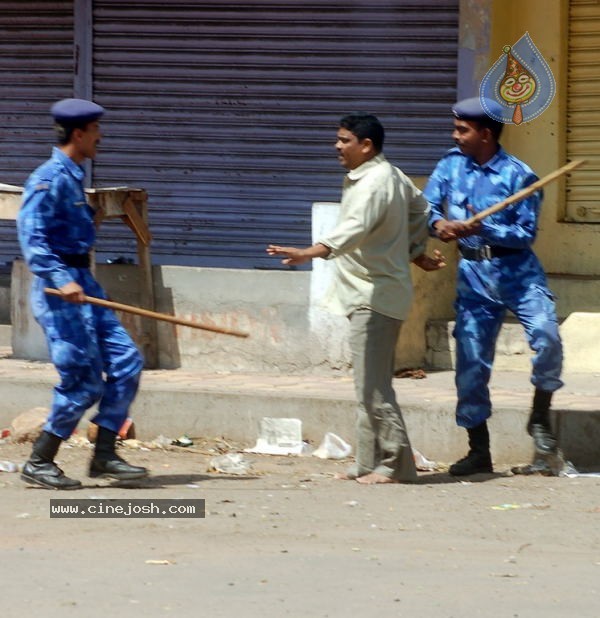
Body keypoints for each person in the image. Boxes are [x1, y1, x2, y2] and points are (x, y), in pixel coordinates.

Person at [267, 112, 445, 484]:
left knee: (373, 387)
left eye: (345, 140)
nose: (337, 146)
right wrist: (414, 251)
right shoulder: (390, 175)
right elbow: (422, 208)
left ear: (366, 145)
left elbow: (355, 227)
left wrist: (310, 251)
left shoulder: (375, 183)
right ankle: (368, 462)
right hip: (374, 291)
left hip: (375, 295)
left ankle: (396, 466)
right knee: (368, 384)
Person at [424, 96, 563, 476]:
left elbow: (525, 234)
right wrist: (440, 226)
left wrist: (484, 226)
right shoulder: (450, 166)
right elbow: (428, 209)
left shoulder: (521, 176)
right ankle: (479, 450)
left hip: (517, 273)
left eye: (462, 130)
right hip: (473, 276)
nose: (456, 137)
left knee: (548, 336)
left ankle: (539, 417)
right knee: (469, 363)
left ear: (486, 134)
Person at [17, 98, 148, 489]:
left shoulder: (72, 175)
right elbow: (32, 238)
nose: (100, 137)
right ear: (79, 133)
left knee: (127, 361)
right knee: (83, 381)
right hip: (61, 293)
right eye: (95, 131)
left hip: (83, 283)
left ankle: (105, 455)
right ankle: (40, 460)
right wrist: (60, 277)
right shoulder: (48, 178)